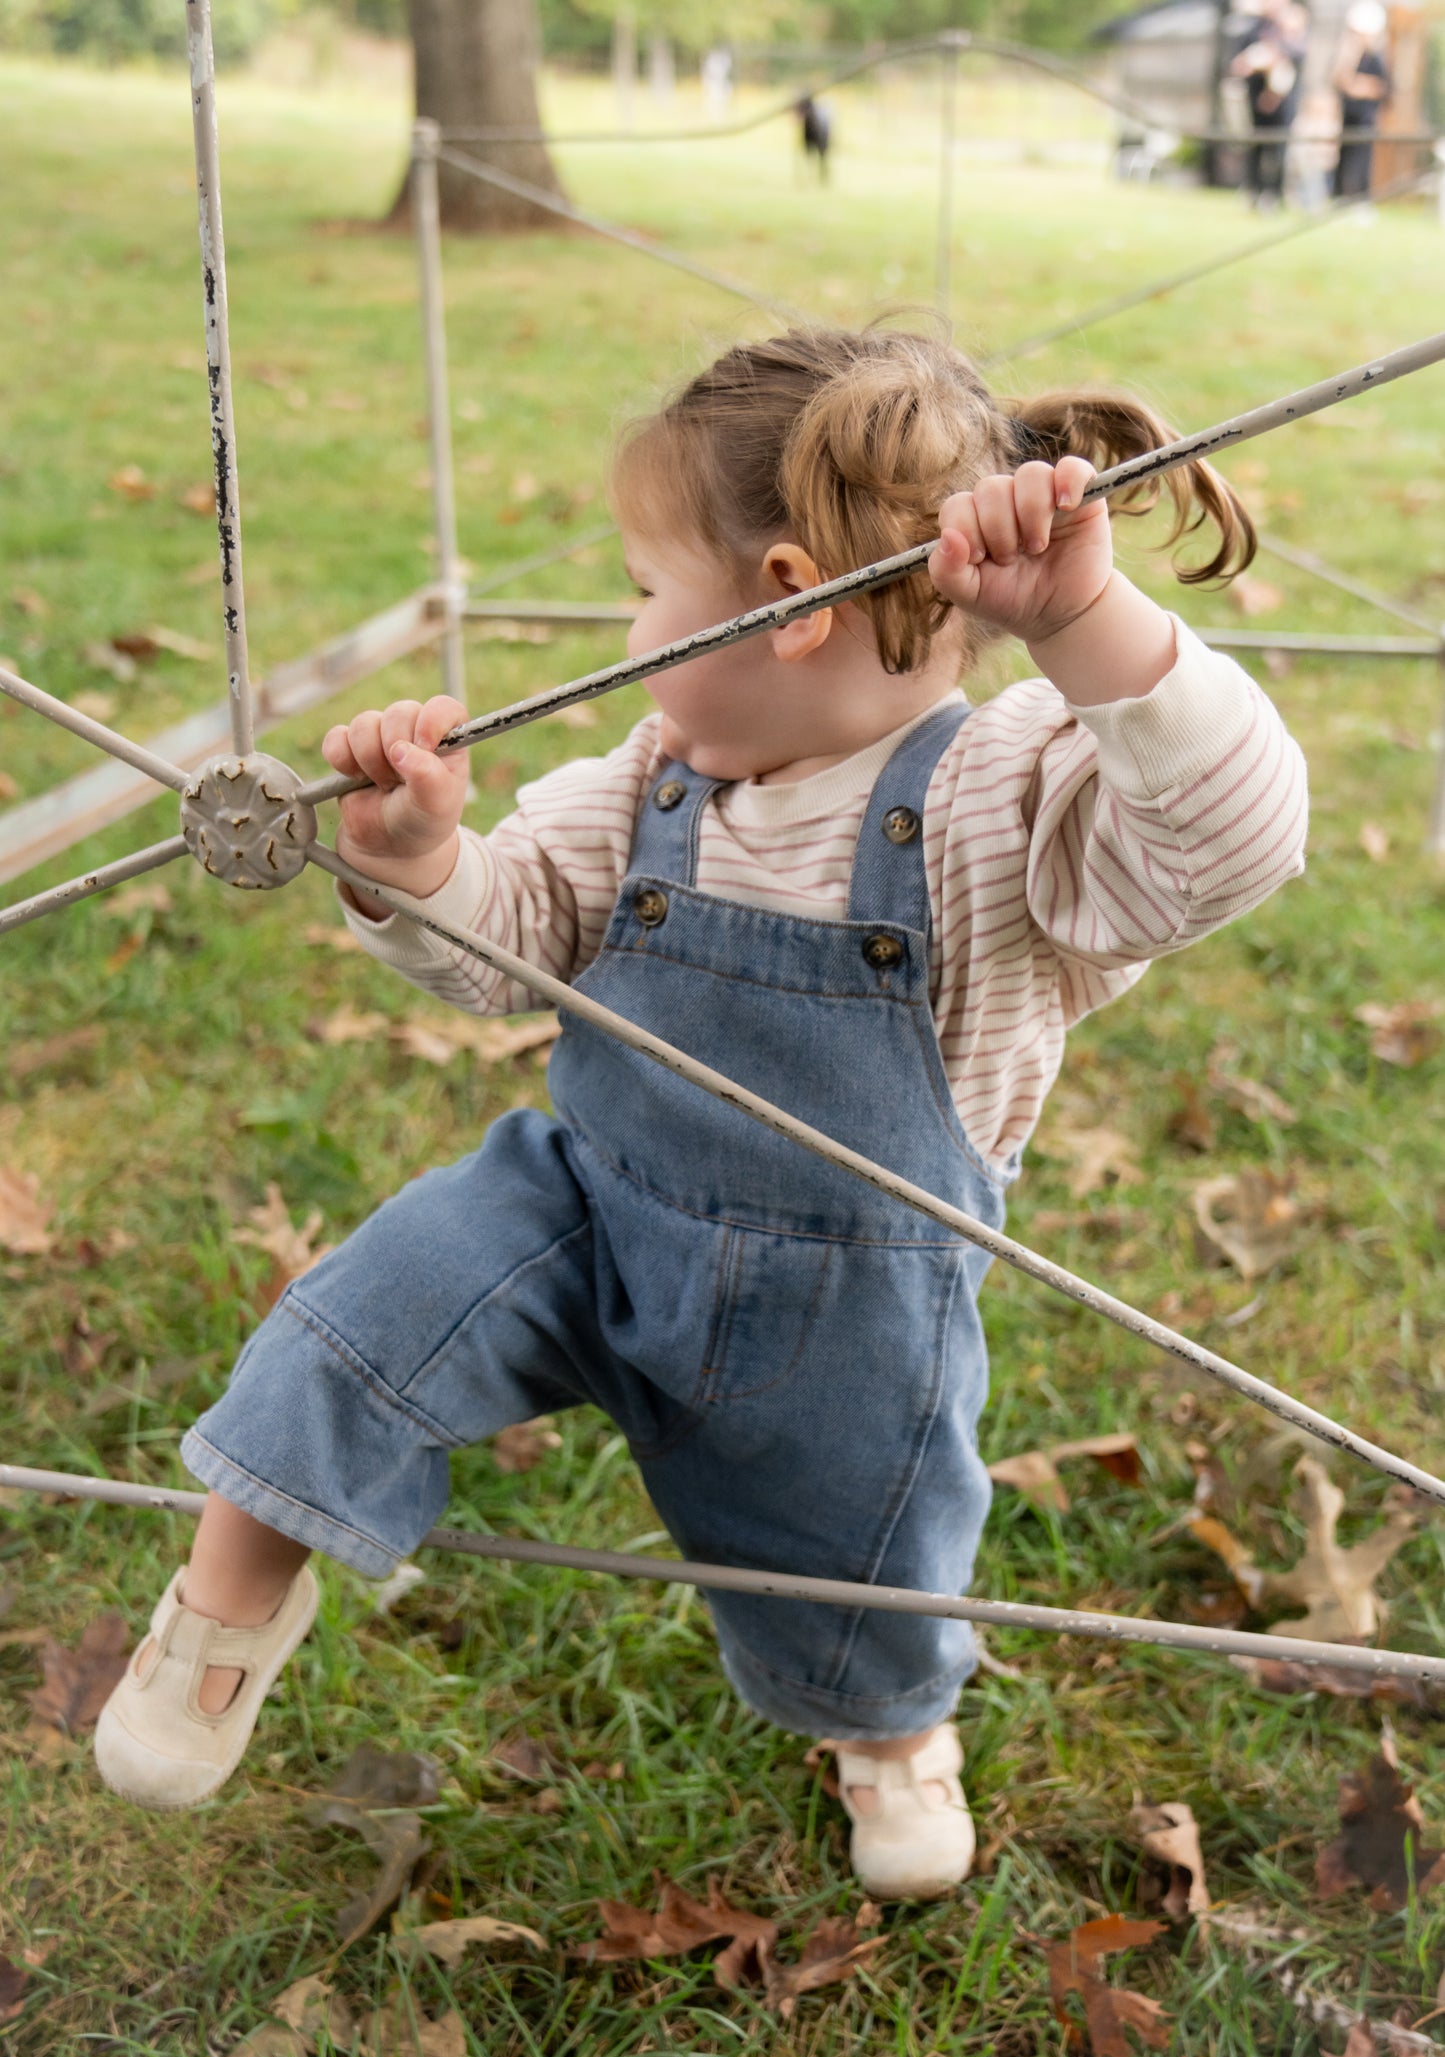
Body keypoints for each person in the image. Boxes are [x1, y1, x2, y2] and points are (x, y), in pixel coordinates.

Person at [95, 326, 1308, 1900]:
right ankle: (227, 1606)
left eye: (646, 593)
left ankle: (886, 1731)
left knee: (860, 1558)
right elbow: (514, 930)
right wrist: (415, 867)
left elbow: (1229, 842)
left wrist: (1086, 620)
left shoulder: (1000, 799)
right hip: (585, 1201)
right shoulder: (656, 772)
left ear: (784, 600)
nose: (629, 630)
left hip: (848, 1290)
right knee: (365, 1309)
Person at [1231, 0, 1310, 209]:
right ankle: (1254, 191)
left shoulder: (1292, 27)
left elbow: (1297, 54)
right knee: (1256, 145)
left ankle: (1275, 194)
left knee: (1279, 148)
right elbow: (1239, 59)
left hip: (1283, 102)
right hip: (1257, 98)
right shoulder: (1255, 28)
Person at [1333, 1, 1390, 203]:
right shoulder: (1350, 55)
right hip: (1349, 114)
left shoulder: (1376, 59)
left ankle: (1361, 199)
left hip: (1366, 117)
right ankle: (1339, 195)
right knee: (1345, 155)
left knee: (1362, 158)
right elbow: (1342, 81)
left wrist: (1361, 86)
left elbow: (1383, 87)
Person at [796, 93, 831, 181]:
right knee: (809, 154)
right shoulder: (807, 119)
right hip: (812, 134)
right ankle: (810, 176)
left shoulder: (819, 118)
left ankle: (822, 175)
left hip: (820, 135)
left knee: (822, 155)